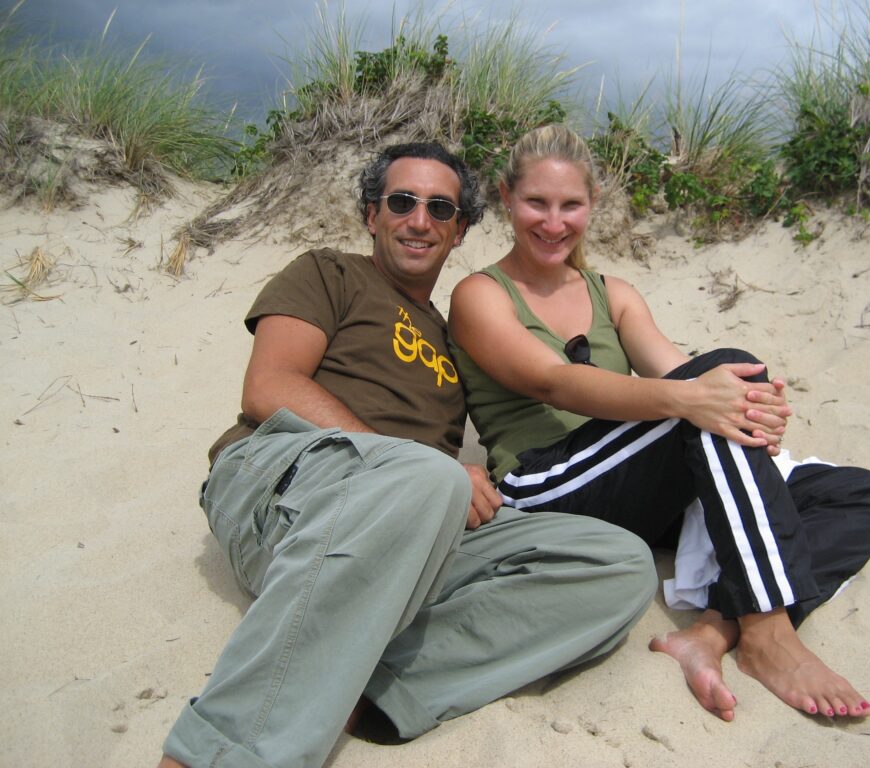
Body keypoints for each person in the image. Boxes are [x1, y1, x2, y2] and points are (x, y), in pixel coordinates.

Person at [158, 142, 657, 768]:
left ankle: (368, 686)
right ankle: (222, 754)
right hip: (287, 480)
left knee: (615, 563)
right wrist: (424, 467)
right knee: (427, 477)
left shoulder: (455, 341)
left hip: (410, 522)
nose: (419, 220)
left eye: (440, 208)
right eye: (402, 202)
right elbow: (270, 388)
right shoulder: (329, 273)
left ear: (459, 231)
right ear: (373, 215)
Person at [448, 124, 870, 724]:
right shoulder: (480, 294)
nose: (553, 222)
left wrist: (750, 407)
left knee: (863, 494)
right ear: (506, 197)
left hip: (633, 488)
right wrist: (707, 395)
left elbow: (679, 370)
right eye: (536, 202)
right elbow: (553, 381)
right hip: (544, 485)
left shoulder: (614, 294)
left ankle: (714, 630)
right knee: (707, 387)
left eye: (571, 205)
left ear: (593, 204)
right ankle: (767, 631)